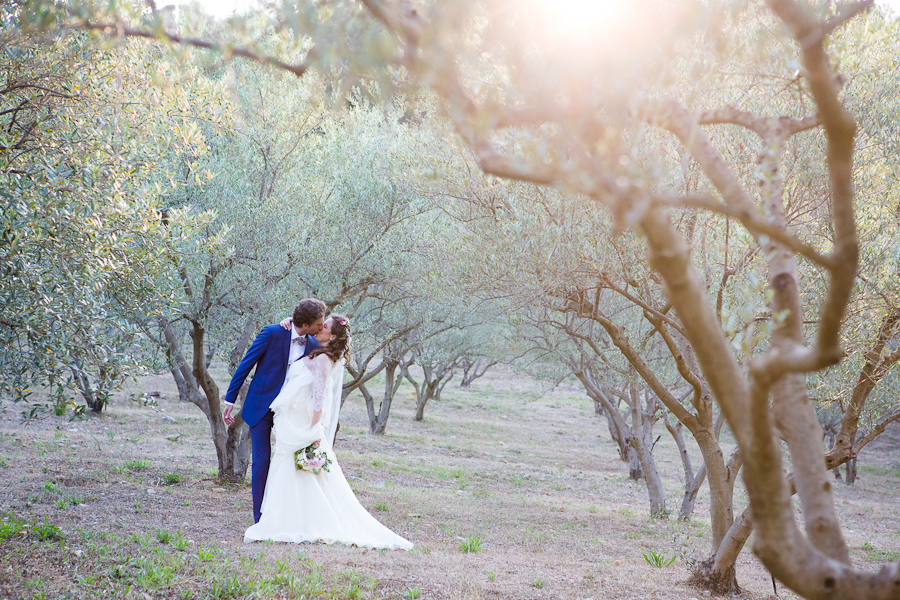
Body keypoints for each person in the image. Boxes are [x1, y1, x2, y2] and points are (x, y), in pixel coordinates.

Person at [244, 315, 413, 550]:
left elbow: (320, 398)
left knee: (299, 471)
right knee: (291, 471)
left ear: (332, 335)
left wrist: (313, 430)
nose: (319, 327)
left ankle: (300, 520)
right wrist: (292, 320)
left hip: (305, 424)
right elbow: (304, 324)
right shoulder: (318, 349)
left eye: (323, 326)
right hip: (293, 420)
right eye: (319, 324)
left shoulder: (324, 359)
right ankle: (288, 516)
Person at [223, 298, 326, 523]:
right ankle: (259, 517)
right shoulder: (272, 333)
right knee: (262, 460)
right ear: (306, 324)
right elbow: (246, 364)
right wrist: (230, 399)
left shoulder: (314, 345)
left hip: (290, 411)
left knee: (288, 459)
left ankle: (288, 511)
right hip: (261, 405)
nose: (322, 326)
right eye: (319, 323)